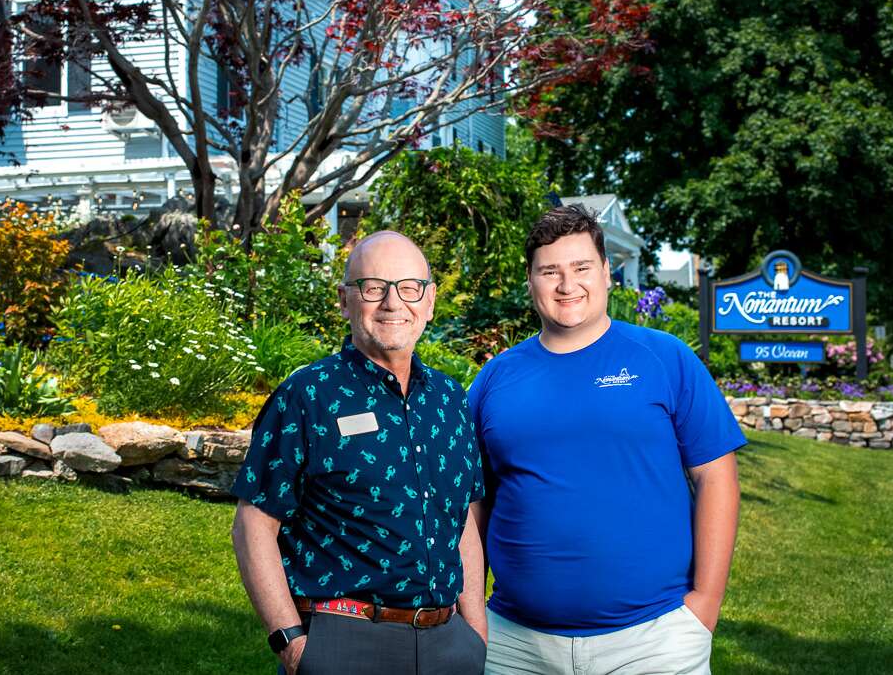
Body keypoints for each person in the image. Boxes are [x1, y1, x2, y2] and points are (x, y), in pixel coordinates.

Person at [468, 205, 746, 675]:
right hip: (516, 644)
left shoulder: (664, 358)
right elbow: (473, 502)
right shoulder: (495, 379)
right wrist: (472, 611)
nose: (566, 284)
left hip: (655, 641)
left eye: (581, 268)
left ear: (607, 273)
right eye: (549, 271)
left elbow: (716, 477)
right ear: (531, 281)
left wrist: (706, 604)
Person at [232, 231, 488, 675]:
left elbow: (462, 518)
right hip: (344, 642)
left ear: (429, 302)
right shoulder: (307, 395)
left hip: (449, 644)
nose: (393, 303)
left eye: (409, 288)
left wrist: (477, 636)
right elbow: (253, 525)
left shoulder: (449, 400)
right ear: (344, 300)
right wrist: (291, 644)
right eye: (373, 288)